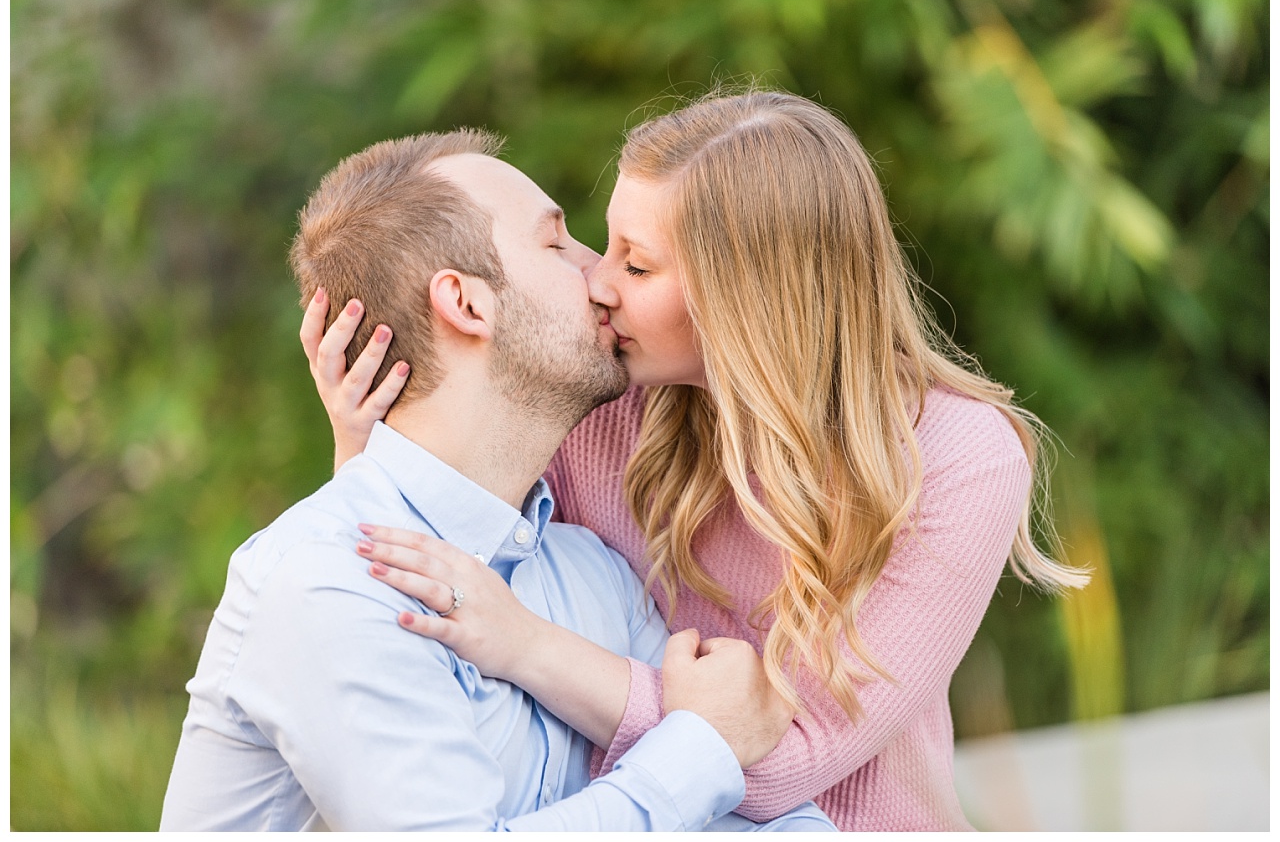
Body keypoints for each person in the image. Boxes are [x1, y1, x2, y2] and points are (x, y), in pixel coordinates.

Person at [310, 89, 1091, 832]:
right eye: (602, 242)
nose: (596, 281)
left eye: (636, 265)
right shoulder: (604, 410)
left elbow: (782, 761)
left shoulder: (958, 457)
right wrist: (362, 447)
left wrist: (526, 643)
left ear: (746, 297)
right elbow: (427, 583)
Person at [160, 129, 837, 831]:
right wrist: (703, 747)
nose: (600, 278)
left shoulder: (595, 576)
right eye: (557, 245)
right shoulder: (329, 579)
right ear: (467, 303)